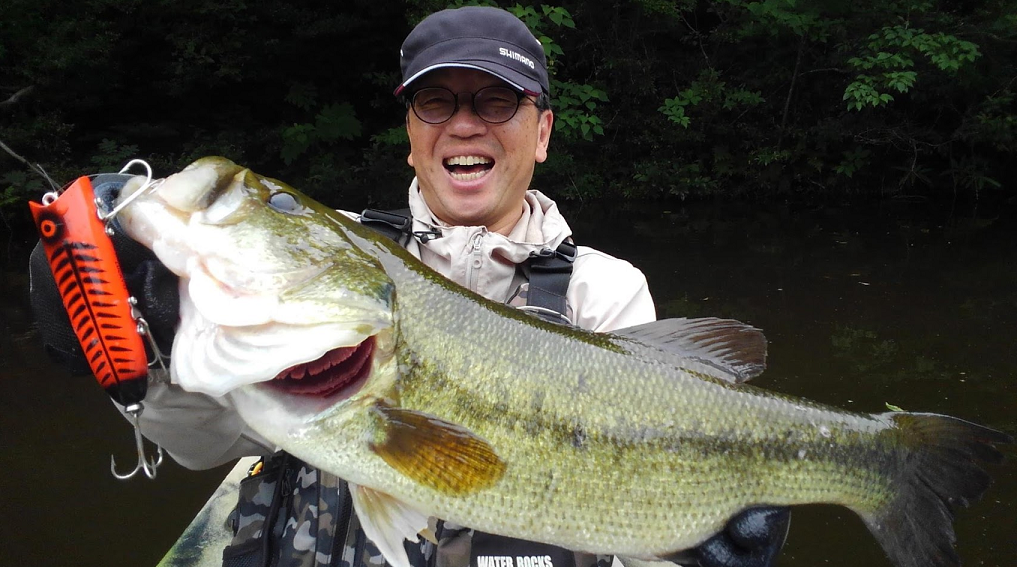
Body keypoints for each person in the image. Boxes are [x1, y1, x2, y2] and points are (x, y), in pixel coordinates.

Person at [29, 6, 789, 567]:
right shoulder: (331, 265)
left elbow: (623, 496)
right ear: (412, 132)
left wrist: (686, 552)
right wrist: (139, 357)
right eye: (438, 102)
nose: (465, 124)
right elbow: (208, 444)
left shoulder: (606, 290)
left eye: (495, 102)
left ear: (544, 132)